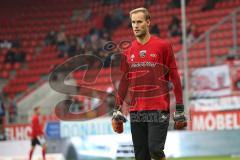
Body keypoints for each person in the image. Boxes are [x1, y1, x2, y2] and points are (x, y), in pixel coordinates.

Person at [111, 7, 187, 160]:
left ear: (148, 22)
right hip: (136, 110)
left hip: (159, 108)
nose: (136, 25)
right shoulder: (128, 51)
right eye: (133, 22)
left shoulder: (163, 46)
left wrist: (179, 108)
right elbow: (124, 81)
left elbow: (174, 77)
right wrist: (117, 109)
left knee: (155, 149)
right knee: (141, 156)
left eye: (139, 21)